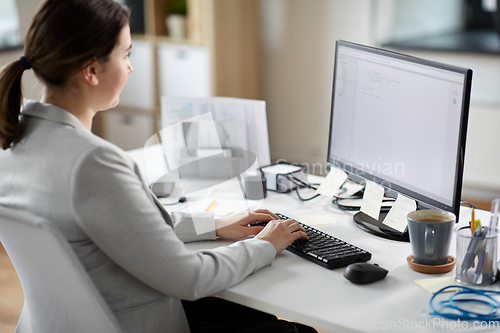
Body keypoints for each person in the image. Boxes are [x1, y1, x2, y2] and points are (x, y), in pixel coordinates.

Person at [0, 0, 315, 332]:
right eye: (125, 54)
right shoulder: (92, 163)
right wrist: (265, 244)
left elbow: (124, 226)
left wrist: (215, 224)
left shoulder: (16, 142)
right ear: (91, 70)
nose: (131, 67)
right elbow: (189, 278)